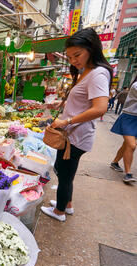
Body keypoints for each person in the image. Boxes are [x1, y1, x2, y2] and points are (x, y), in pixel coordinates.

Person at [40, 28, 112, 222]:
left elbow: (100, 108)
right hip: (73, 135)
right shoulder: (86, 72)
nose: (73, 61)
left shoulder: (97, 74)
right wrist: (61, 105)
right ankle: (67, 205)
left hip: (76, 136)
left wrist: (67, 121)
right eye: (70, 57)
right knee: (66, 172)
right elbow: (83, 102)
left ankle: (60, 212)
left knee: (63, 175)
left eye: (77, 55)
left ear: (92, 48)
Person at [109, 76, 137, 183]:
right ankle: (128, 174)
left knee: (127, 145)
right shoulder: (135, 85)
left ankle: (115, 162)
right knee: (131, 145)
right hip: (129, 118)